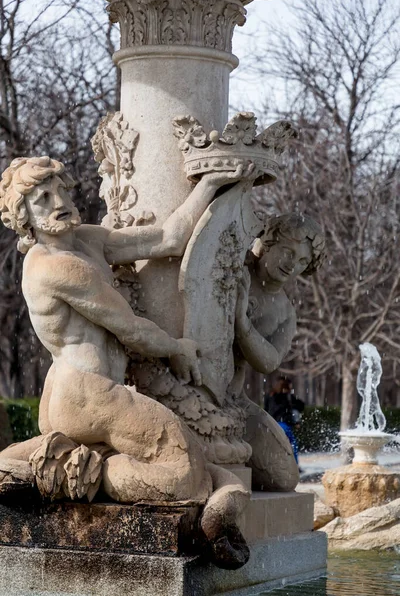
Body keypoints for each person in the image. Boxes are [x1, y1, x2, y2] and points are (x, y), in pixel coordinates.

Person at [0, 155, 253, 569]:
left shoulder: (87, 240)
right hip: (87, 392)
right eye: (43, 198)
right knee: (185, 473)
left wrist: (208, 184)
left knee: (201, 466)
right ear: (23, 215)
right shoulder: (55, 266)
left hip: (82, 394)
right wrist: (177, 348)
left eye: (62, 188)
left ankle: (32, 466)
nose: (60, 200)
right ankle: (81, 472)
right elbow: (130, 328)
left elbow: (168, 239)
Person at [232, 213, 325, 490]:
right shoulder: (233, 266)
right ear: (268, 243)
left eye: (302, 262)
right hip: (190, 373)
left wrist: (242, 324)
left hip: (233, 399)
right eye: (288, 252)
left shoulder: (285, 312)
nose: (291, 265)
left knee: (285, 478)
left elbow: (269, 361)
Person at [266, 377, 304, 465]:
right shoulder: (288, 397)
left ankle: (274, 465)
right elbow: (300, 406)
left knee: (274, 447)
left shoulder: (270, 395)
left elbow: (266, 410)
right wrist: (296, 422)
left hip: (271, 425)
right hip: (284, 425)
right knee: (292, 445)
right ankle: (294, 465)